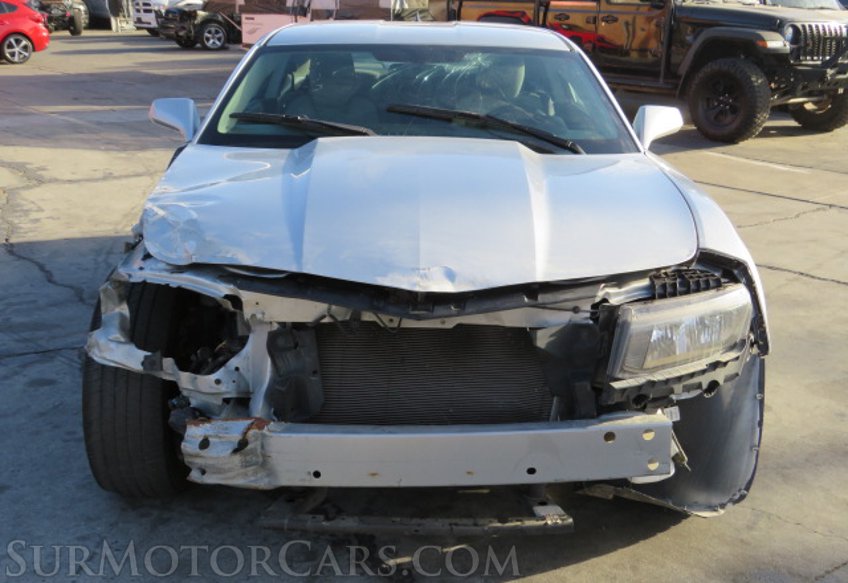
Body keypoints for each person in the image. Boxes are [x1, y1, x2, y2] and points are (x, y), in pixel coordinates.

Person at [285, 53, 378, 128]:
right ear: (322, 81)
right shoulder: (300, 107)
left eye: (350, 79)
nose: (349, 85)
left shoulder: (364, 108)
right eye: (342, 81)